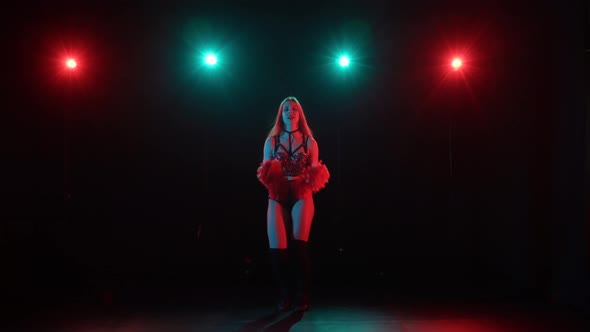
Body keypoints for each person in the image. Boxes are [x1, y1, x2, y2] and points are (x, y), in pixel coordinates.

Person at [257, 96, 330, 312]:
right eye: (286, 108)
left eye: (294, 108)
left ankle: (302, 294)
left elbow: (316, 172)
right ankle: (284, 294)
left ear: (300, 113)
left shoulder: (310, 142)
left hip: (301, 195)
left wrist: (306, 178)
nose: (290, 111)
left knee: (299, 247)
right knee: (277, 250)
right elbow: (265, 171)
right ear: (281, 113)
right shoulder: (272, 141)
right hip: (278, 196)